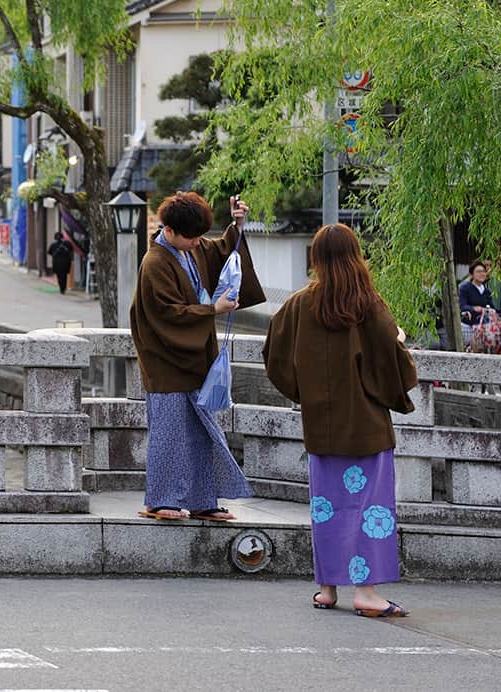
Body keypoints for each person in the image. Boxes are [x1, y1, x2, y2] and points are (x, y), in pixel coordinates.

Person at [262, 223, 417, 618]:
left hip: (321, 426)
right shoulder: (367, 304)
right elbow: (391, 358)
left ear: (315, 258)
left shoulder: (299, 304)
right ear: (355, 256)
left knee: (327, 509)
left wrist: (306, 392)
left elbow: (274, 353)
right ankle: (365, 592)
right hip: (365, 427)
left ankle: (327, 589)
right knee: (368, 508)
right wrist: (399, 339)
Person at [129, 191, 265, 522]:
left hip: (194, 357)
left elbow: (222, 252)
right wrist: (212, 309)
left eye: (198, 236)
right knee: (169, 433)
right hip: (166, 361)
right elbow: (167, 313)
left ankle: (204, 500)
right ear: (169, 230)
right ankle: (160, 500)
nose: (197, 243)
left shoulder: (191, 248)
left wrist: (237, 225)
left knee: (202, 433)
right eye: (191, 237)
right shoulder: (155, 263)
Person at [459, 260, 493, 343]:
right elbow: (462, 305)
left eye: (483, 271)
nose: (482, 274)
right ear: (472, 274)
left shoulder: (486, 291)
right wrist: (473, 308)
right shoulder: (465, 288)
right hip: (468, 326)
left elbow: (492, 307)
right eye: (478, 272)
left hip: (483, 326)